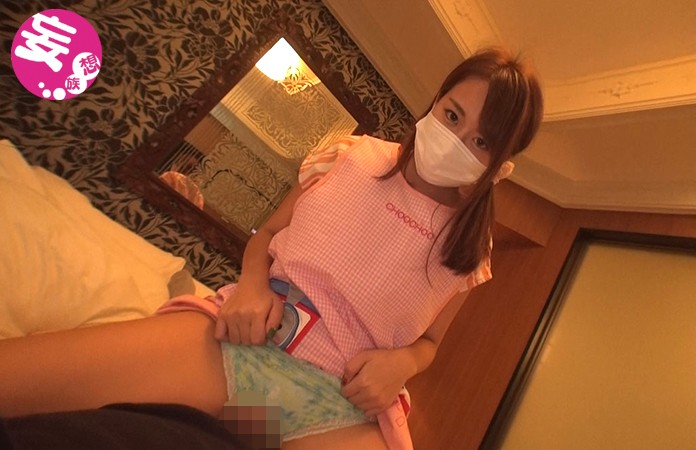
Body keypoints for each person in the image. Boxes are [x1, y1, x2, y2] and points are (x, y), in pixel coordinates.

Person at [0, 47, 543, 449]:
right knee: (24, 386)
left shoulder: (471, 251)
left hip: (338, 405)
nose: (456, 139)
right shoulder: (352, 156)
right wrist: (252, 286)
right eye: (453, 115)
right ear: (436, 102)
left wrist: (403, 364)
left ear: (500, 163)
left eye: (481, 141)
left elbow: (430, 342)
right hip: (250, 338)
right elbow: (265, 236)